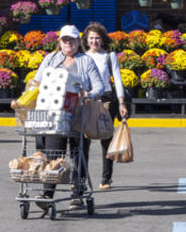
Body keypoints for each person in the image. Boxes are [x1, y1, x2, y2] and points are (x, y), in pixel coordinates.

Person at [31, 24, 107, 212]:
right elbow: (36, 81)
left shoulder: (85, 61)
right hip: (53, 117)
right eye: (65, 40)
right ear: (60, 41)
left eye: (72, 40)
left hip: (78, 116)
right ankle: (47, 194)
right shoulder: (51, 59)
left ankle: (78, 192)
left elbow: (99, 86)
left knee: (78, 155)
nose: (68, 43)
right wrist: (30, 91)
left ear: (77, 42)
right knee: (53, 155)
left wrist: (88, 94)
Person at [82, 22, 129, 190]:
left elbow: (117, 79)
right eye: (91, 38)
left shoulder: (109, 56)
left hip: (106, 99)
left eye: (97, 38)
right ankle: (82, 178)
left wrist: (122, 102)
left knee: (106, 138)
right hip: (87, 99)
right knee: (84, 141)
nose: (94, 42)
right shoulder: (82, 57)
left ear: (103, 40)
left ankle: (106, 178)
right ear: (86, 41)